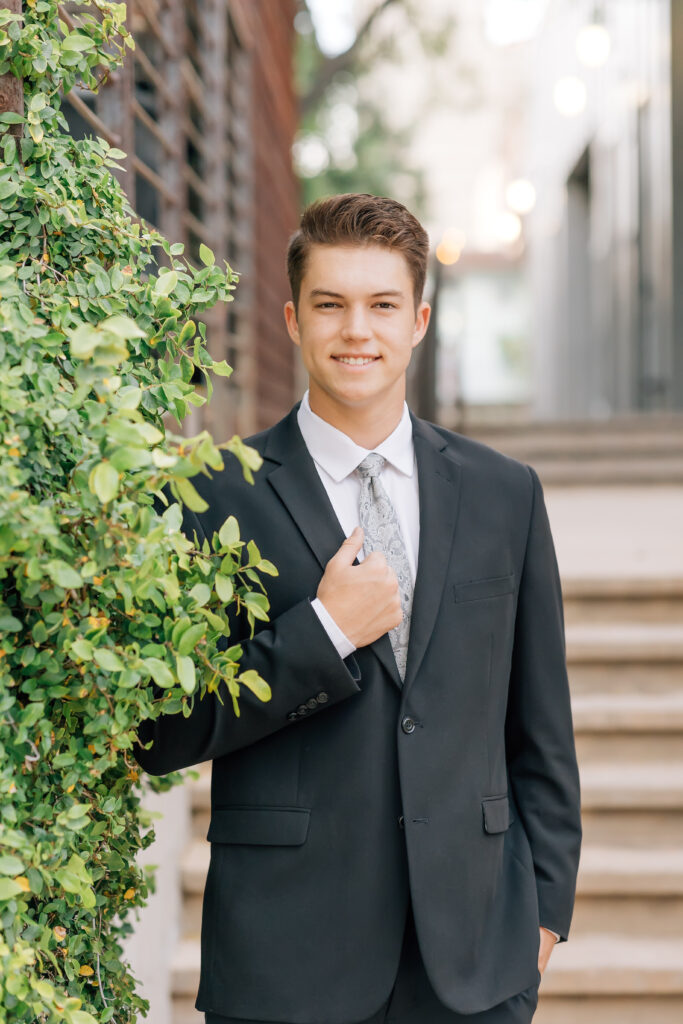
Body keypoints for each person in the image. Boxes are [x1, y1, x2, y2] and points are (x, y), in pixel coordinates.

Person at [133, 193, 581, 1024]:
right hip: (286, 958)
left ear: (416, 319)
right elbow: (160, 727)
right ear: (292, 320)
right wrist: (325, 630)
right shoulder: (210, 494)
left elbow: (540, 729)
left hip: (476, 960)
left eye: (380, 306)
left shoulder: (502, 494)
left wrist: (546, 908)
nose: (356, 331)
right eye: (330, 305)